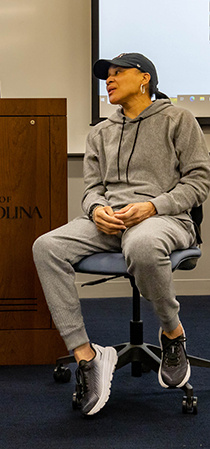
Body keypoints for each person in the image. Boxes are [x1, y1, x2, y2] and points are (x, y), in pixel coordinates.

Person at [33, 53, 210, 416]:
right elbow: (92, 189)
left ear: (144, 78)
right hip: (109, 221)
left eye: (117, 73)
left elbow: (198, 181)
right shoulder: (100, 131)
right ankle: (87, 356)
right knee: (46, 246)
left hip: (165, 217)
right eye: (106, 76)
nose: (109, 80)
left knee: (142, 244)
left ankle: (172, 333)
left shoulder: (178, 118)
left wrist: (152, 206)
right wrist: (96, 210)